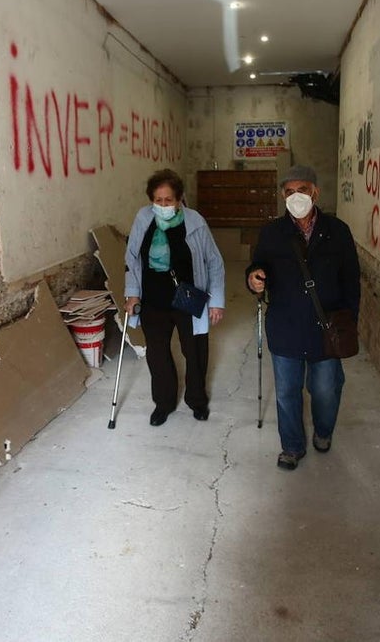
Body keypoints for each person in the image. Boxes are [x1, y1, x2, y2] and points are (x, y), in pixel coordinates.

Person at [245, 165, 360, 470]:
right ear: (283, 196)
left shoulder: (337, 231)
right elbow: (256, 266)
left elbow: (351, 280)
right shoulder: (272, 233)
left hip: (327, 326)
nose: (297, 197)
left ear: (315, 192)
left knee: (325, 389)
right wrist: (254, 278)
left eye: (303, 190)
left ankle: (323, 431)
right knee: (286, 391)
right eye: (290, 192)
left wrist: (350, 321)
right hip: (286, 324)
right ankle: (292, 446)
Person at [125, 169, 226, 426]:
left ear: (180, 199)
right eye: (157, 200)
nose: (162, 206)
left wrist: (216, 301)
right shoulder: (143, 218)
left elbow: (214, 262)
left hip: (187, 295)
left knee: (194, 351)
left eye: (168, 200)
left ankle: (197, 400)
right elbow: (132, 259)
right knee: (157, 353)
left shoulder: (195, 222)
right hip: (153, 299)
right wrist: (132, 294)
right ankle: (164, 402)